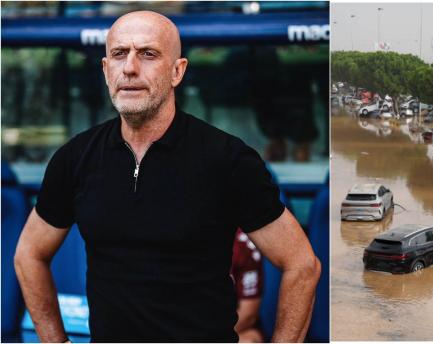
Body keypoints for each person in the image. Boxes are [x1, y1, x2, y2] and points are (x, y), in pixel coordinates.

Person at [13, 11, 321, 342]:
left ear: (177, 71)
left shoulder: (227, 159)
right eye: (119, 54)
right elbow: (28, 255)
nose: (130, 68)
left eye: (148, 54)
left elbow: (302, 265)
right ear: (105, 70)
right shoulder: (75, 158)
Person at [231, 229, 264, 342]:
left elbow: (248, 315)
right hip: (182, 324)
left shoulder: (242, 243)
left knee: (250, 339)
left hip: (229, 326)